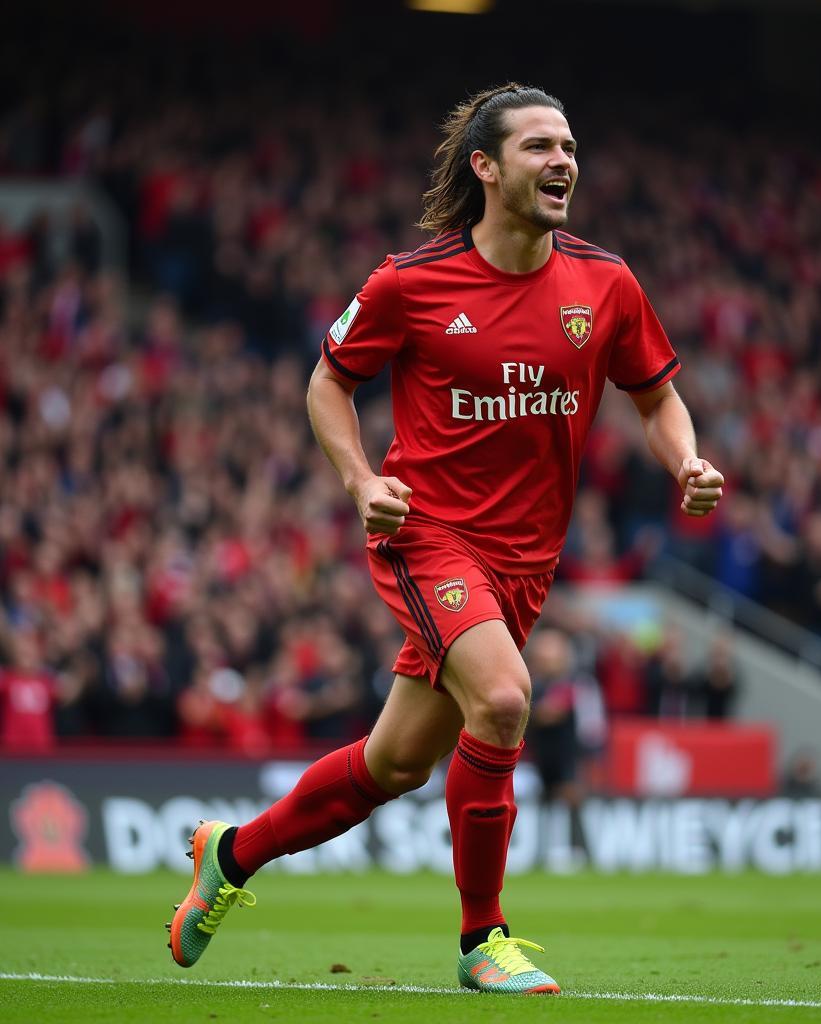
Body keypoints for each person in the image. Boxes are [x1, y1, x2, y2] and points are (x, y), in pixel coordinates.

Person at [166, 83, 724, 995]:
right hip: (429, 536)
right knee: (504, 702)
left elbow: (656, 395)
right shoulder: (411, 282)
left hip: (526, 564)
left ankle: (230, 853)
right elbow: (327, 382)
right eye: (540, 146)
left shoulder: (605, 283)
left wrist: (687, 461)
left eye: (570, 146)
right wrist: (360, 483)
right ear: (487, 167)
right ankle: (483, 939)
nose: (563, 162)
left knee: (394, 764)